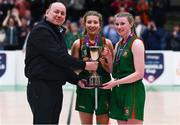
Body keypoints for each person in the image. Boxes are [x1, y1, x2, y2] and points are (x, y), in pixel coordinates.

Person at [24, 2, 98, 124]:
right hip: (41, 87)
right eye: (56, 12)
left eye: (62, 13)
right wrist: (84, 65)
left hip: (55, 87)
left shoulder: (56, 33)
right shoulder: (41, 30)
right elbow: (60, 57)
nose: (59, 15)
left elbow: (60, 64)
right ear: (47, 13)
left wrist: (76, 79)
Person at [71, 11, 114, 124]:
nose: (92, 25)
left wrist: (104, 61)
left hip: (103, 88)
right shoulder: (77, 44)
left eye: (95, 22)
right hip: (85, 89)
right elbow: (73, 70)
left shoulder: (107, 43)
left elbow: (112, 70)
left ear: (100, 25)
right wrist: (84, 65)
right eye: (89, 22)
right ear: (84, 24)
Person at [102, 12, 146, 125]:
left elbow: (139, 74)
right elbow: (113, 71)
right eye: (116, 24)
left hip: (133, 90)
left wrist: (115, 83)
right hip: (118, 90)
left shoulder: (137, 43)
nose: (119, 27)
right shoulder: (118, 44)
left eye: (122, 23)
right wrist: (109, 58)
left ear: (131, 24)